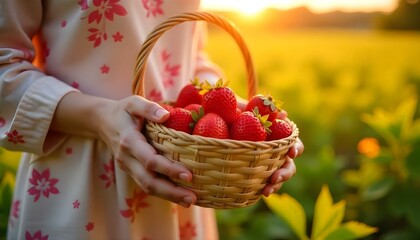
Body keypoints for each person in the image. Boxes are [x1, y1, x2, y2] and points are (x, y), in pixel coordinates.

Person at [0, 0, 304, 239]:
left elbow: (189, 53)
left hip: (185, 165)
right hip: (80, 181)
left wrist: (233, 112)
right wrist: (101, 117)